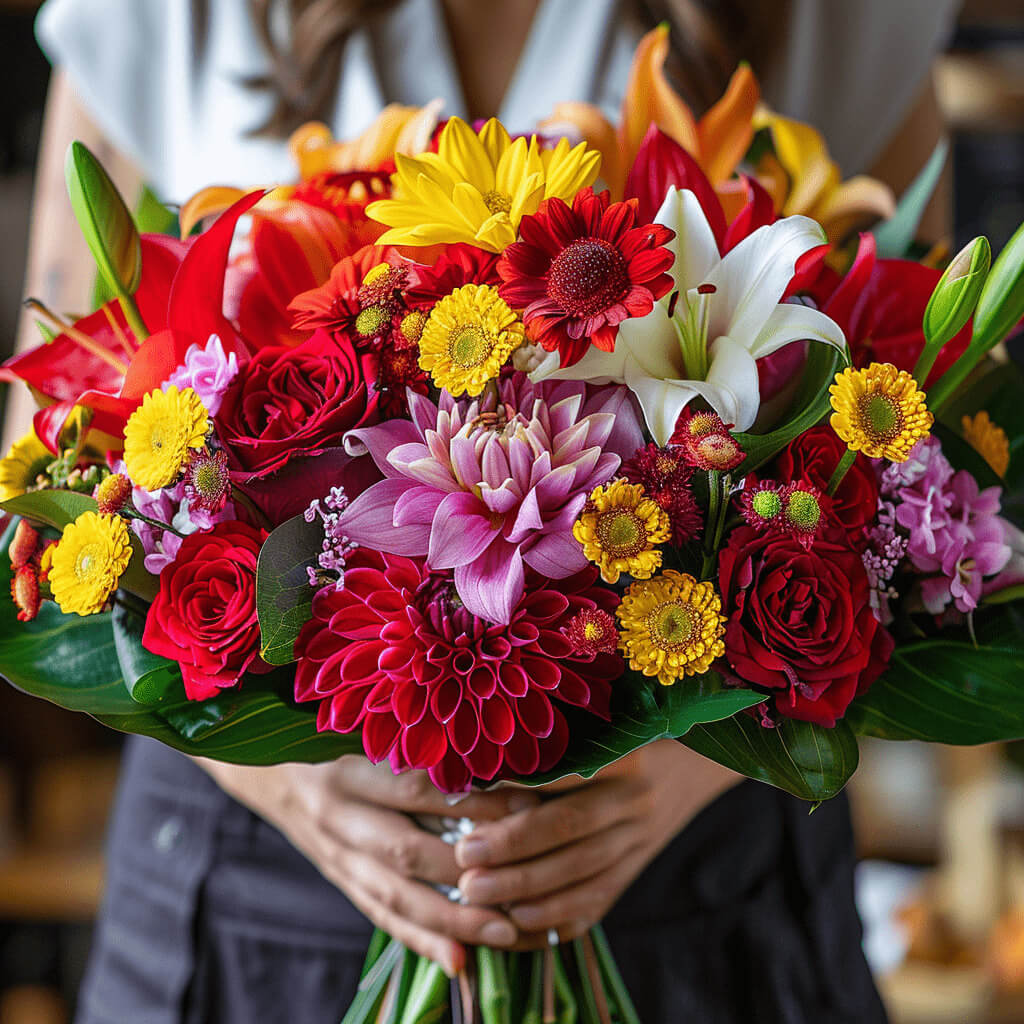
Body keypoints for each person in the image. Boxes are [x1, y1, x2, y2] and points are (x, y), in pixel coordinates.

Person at [13, 1, 960, 1020]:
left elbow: (920, 472)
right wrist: (276, 773)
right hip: (260, 884)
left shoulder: (843, 20)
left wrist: (696, 763)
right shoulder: (166, 18)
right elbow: (51, 489)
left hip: (696, 880)